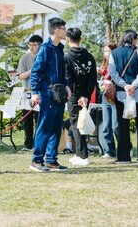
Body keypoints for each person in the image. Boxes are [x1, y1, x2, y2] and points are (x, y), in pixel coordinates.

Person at [29, 17, 71, 172]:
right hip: (46, 93)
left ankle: (51, 160)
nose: (66, 31)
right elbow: (36, 71)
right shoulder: (45, 48)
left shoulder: (59, 48)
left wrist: (66, 85)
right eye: (64, 28)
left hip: (59, 93)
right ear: (57, 30)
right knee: (44, 127)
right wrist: (35, 92)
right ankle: (36, 160)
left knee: (56, 126)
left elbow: (63, 71)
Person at [109, 30, 138, 163]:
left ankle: (123, 157)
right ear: (133, 39)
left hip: (122, 94)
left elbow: (113, 73)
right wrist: (134, 85)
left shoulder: (113, 54)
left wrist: (125, 85)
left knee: (123, 126)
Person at [65, 28, 97, 166]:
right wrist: (86, 95)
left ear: (67, 39)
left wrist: (77, 95)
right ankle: (79, 154)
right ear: (81, 39)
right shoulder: (89, 56)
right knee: (82, 122)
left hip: (73, 95)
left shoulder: (66, 57)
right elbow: (93, 78)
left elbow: (68, 78)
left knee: (76, 124)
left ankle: (83, 156)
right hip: (86, 95)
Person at [16, 34, 43, 151]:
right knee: (27, 120)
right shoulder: (24, 58)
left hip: (40, 93)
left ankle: (38, 143)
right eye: (30, 45)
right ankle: (28, 144)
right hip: (27, 92)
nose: (32, 47)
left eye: (35, 45)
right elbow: (21, 76)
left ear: (40, 46)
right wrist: (33, 70)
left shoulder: (43, 56)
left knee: (39, 119)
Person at [98, 42, 118, 159]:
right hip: (105, 96)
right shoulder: (104, 65)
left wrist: (103, 72)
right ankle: (109, 150)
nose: (106, 53)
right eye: (105, 51)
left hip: (114, 96)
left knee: (115, 125)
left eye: (108, 51)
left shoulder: (115, 64)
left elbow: (114, 75)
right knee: (106, 126)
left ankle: (125, 147)